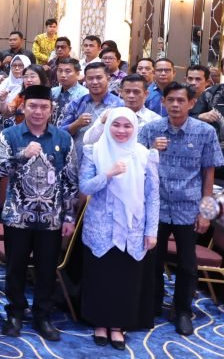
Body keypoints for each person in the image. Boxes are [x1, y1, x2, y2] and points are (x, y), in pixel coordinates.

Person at [0, 85, 79, 341]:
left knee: (46, 269)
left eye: (44, 107)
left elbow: (70, 180)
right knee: (16, 268)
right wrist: (22, 154)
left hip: (52, 218)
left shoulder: (63, 138)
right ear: (24, 106)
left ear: (51, 110)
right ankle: (15, 313)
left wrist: (69, 217)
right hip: (17, 216)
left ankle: (43, 316)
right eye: (33, 106)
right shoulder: (10, 135)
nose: (38, 111)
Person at [138, 82, 224, 336]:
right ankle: (152, 304)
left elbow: (209, 173)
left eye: (181, 100)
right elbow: (135, 163)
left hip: (188, 208)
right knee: (152, 261)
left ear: (191, 103)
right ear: (163, 102)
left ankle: (183, 310)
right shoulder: (150, 130)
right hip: (156, 206)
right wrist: (151, 150)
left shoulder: (204, 132)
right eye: (171, 100)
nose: (175, 105)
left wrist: (206, 213)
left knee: (187, 264)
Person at [79, 108, 160, 349]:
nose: (121, 130)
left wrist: (151, 231)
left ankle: (118, 326)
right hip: (100, 229)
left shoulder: (145, 155)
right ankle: (99, 323)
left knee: (126, 280)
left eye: (127, 126)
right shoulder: (93, 151)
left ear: (135, 128)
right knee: (100, 278)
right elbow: (85, 187)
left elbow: (152, 196)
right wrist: (108, 174)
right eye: (116, 125)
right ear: (108, 125)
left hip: (132, 229)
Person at [59, 62, 124, 164]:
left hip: (108, 160)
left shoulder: (119, 105)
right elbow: (60, 134)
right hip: (78, 159)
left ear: (108, 78)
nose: (94, 82)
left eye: (99, 78)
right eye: (90, 78)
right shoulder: (76, 104)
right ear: (85, 80)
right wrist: (76, 124)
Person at [84, 74, 160, 144]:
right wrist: (102, 123)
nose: (131, 96)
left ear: (146, 94)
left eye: (136, 92)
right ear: (121, 93)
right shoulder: (109, 114)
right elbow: (88, 141)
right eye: (127, 91)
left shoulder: (154, 120)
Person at [51, 58, 87, 126]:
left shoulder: (84, 95)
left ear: (77, 74)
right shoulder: (52, 92)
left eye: (68, 71)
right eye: (60, 71)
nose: (63, 75)